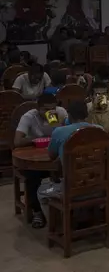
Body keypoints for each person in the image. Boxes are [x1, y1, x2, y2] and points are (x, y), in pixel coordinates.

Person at [14, 94, 67, 229]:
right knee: (32, 175)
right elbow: (17, 141)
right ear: (38, 109)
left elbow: (67, 134)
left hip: (54, 156)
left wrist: (57, 128)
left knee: (68, 167)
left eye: (52, 108)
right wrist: (35, 139)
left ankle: (63, 209)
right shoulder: (29, 117)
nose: (50, 112)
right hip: (34, 157)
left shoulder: (61, 113)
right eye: (45, 109)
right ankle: (37, 211)